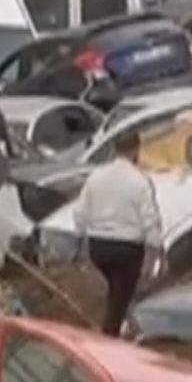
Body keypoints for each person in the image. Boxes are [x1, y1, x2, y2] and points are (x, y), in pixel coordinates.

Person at [71, 130, 161, 336]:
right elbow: (150, 222)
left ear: (114, 149)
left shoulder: (96, 176)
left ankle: (127, 328)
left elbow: (80, 213)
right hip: (127, 250)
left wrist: (81, 246)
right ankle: (109, 340)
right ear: (136, 150)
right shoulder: (140, 181)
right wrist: (152, 256)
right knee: (120, 297)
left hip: (99, 247)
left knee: (117, 296)